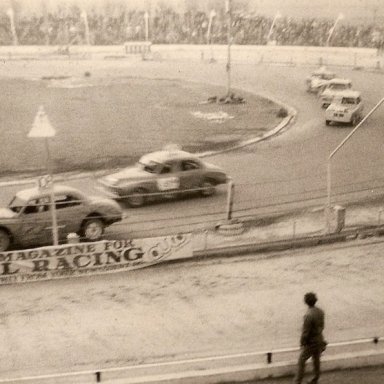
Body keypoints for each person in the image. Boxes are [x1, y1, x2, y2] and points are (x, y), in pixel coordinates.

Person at [293, 292, 327, 384]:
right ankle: (315, 378)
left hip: (311, 342)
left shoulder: (308, 315)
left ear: (306, 302)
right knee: (316, 359)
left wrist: (302, 342)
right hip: (320, 339)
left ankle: (298, 381)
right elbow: (322, 326)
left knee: (301, 360)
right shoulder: (320, 311)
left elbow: (305, 332)